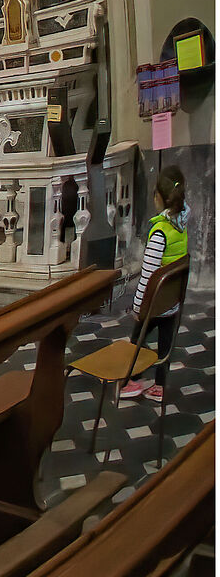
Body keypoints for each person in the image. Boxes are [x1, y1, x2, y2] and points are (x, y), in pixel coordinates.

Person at [121, 168, 192, 402]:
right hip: (171, 303)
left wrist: (138, 308)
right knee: (164, 345)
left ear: (159, 198)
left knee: (136, 342)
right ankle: (160, 387)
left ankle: (133, 381)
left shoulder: (160, 232)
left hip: (154, 305)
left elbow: (149, 275)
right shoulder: (181, 227)